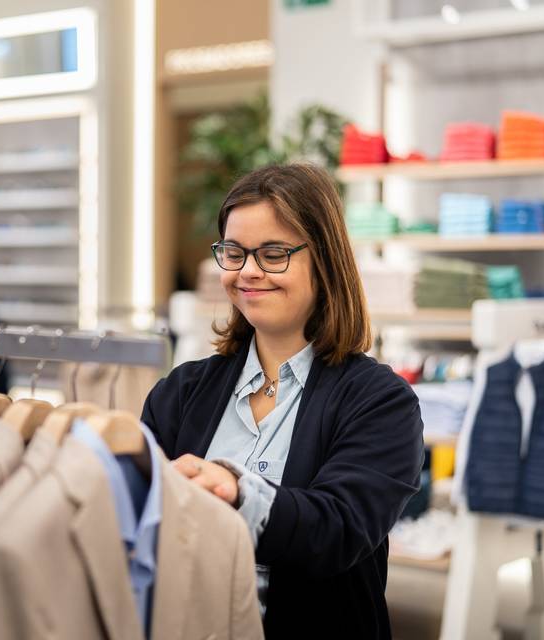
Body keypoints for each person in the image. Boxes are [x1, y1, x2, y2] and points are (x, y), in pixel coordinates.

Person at [141, 163, 424, 638]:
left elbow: (337, 530)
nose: (248, 272)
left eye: (274, 254)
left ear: (325, 261)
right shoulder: (180, 392)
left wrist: (235, 489)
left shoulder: (380, 402)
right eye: (234, 252)